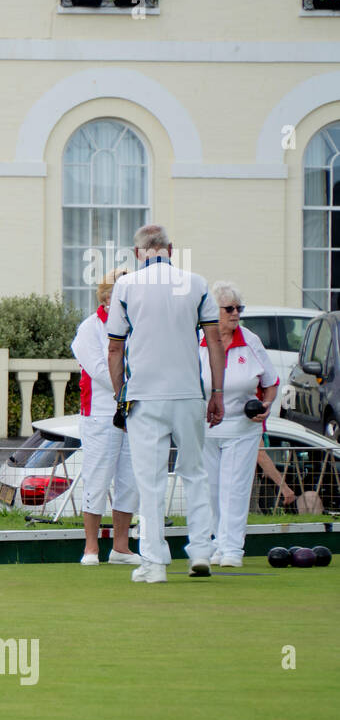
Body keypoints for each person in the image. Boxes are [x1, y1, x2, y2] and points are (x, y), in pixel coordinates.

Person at [106, 224, 225, 583]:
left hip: (144, 395)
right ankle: (201, 550)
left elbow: (115, 347)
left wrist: (118, 394)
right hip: (188, 392)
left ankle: (155, 563)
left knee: (150, 480)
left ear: (138, 251)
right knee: (195, 473)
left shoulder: (125, 286)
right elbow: (214, 340)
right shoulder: (197, 282)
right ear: (170, 249)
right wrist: (217, 392)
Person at [199, 281, 278, 567]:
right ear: (213, 311)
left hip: (243, 426)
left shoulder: (251, 340)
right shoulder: (197, 341)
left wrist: (266, 407)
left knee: (235, 487)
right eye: (229, 308)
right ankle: (214, 543)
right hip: (204, 426)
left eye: (239, 308)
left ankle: (232, 549)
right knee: (210, 488)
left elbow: (271, 383)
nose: (235, 314)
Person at [70, 267, 141, 566]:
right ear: (108, 297)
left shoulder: (138, 327)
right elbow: (100, 371)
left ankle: (121, 547)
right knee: (98, 478)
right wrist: (127, 389)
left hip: (134, 412)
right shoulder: (89, 328)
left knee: (129, 480)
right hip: (100, 414)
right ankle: (91, 548)